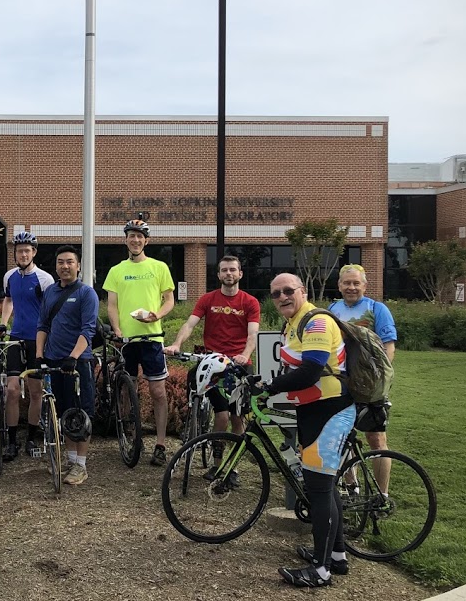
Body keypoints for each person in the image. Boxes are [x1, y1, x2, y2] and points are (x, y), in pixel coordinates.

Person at [259, 273, 356, 588]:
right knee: (324, 487)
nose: (283, 297)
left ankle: (321, 570)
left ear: (302, 291)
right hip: (314, 411)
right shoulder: (294, 323)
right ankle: (337, 556)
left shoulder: (315, 322)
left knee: (318, 489)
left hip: (330, 410)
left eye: (289, 291)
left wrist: (269, 386)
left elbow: (311, 370)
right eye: (276, 293)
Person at [165, 254, 260, 473]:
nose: (229, 273)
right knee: (222, 415)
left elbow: (253, 333)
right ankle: (216, 466)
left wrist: (245, 354)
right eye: (224, 270)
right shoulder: (208, 299)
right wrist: (177, 343)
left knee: (237, 418)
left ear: (240, 274)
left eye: (232, 270)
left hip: (238, 364)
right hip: (212, 364)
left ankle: (232, 468)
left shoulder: (250, 302)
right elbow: (190, 324)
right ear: (218, 275)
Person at [103, 219, 175, 467]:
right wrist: (117, 329)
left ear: (147, 240)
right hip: (128, 340)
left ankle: (161, 444)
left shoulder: (159, 267)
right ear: (125, 240)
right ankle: (132, 437)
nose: (135, 240)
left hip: (152, 338)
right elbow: (111, 305)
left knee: (158, 392)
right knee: (127, 390)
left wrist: (159, 315)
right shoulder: (116, 270)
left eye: (140, 236)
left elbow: (169, 300)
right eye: (131, 236)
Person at [329, 263, 397, 495]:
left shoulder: (377, 309)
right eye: (346, 283)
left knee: (376, 439)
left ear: (365, 286)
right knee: (344, 435)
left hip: (370, 386)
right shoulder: (332, 309)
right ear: (339, 285)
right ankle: (352, 486)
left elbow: (388, 347)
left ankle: (381, 495)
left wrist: (379, 380)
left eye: (356, 283)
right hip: (341, 382)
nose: (351, 287)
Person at [35, 245, 99, 485]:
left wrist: (73, 357)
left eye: (70, 262)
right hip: (53, 359)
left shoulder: (86, 293)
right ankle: (71, 460)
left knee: (81, 414)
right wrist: (39, 355)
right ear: (56, 266)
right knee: (63, 412)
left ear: (79, 265)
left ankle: (81, 465)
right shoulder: (50, 291)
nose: (65, 266)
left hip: (78, 361)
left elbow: (88, 329)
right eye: (61, 262)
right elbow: (42, 325)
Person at [0, 231, 55, 461]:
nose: (22, 254)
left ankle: (31, 437)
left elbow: (50, 311)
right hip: (15, 337)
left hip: (37, 340)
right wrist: (3, 323)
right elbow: (9, 300)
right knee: (11, 390)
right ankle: (12, 442)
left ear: (34, 253)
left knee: (35, 392)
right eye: (19, 250)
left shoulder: (44, 279)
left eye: (26, 250)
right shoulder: (9, 276)